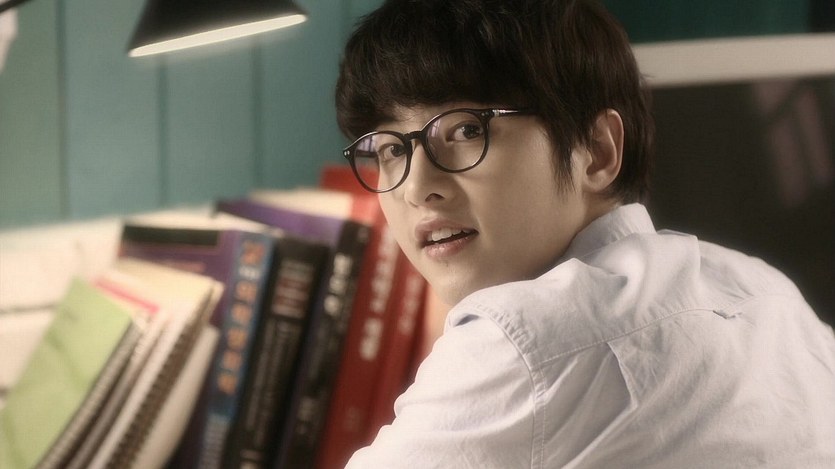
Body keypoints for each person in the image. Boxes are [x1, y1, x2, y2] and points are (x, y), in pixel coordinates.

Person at [334, 0, 835, 467]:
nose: (417, 187)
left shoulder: (523, 341)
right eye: (390, 149)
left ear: (596, 151)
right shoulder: (765, 290)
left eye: (467, 130)